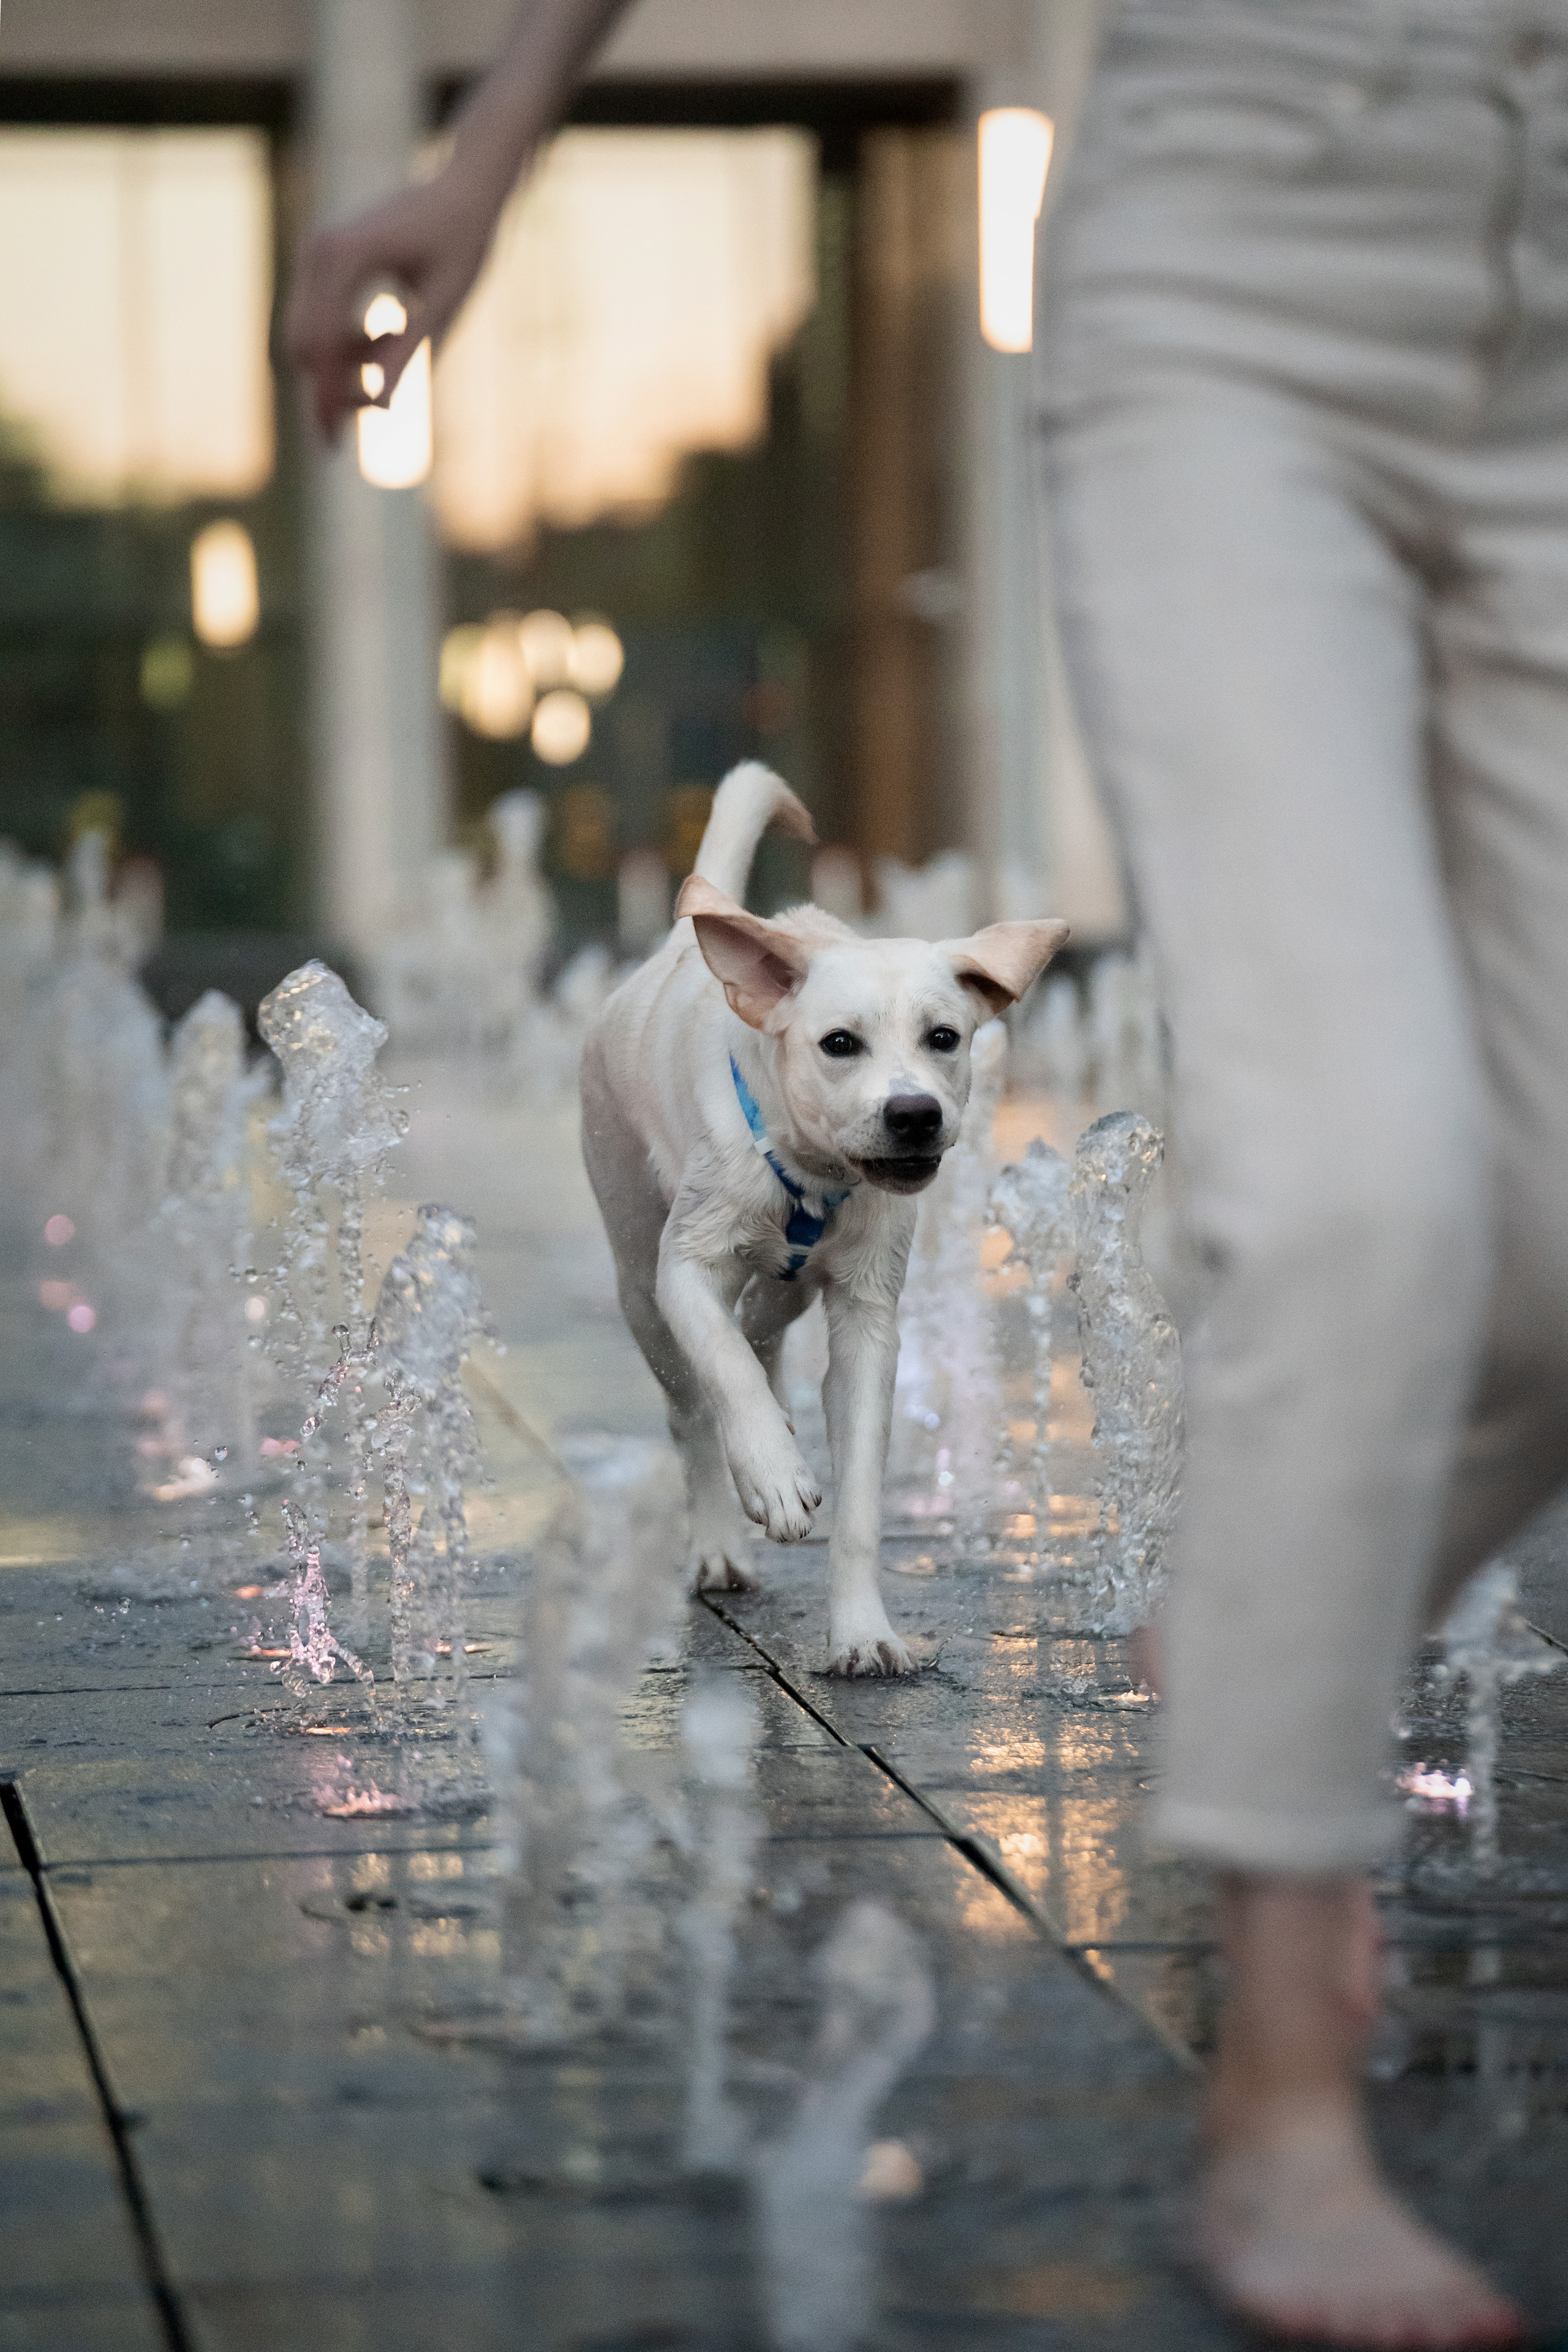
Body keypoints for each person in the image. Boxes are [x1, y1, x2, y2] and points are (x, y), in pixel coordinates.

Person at [287, 4, 1540, 2341]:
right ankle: (1277, 2104)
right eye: (881, 1038)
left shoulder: (910, 1069)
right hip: (1249, 224)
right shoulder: (724, 1021)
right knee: (1350, 1205)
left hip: (1545, 220)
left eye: (952, 1039)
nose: (922, 1082)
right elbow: (691, 1258)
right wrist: (487, 149)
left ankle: (1278, 1630)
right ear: (785, 1009)